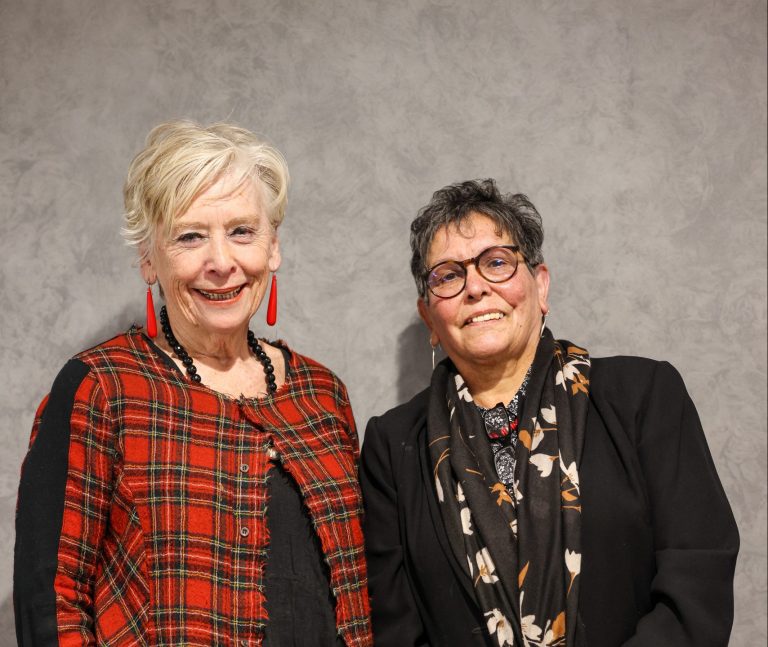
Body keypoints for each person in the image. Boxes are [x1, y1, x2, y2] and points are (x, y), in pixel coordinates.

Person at [14, 120, 372, 646]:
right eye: (190, 236)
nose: (221, 263)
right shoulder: (103, 387)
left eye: (242, 232)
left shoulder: (322, 394)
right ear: (148, 260)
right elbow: (52, 600)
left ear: (273, 247)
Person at [359, 179, 738, 647]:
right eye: (448, 275)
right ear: (429, 318)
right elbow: (394, 629)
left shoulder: (644, 396)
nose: (475, 287)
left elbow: (696, 582)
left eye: (496, 263)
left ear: (540, 285)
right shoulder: (392, 446)